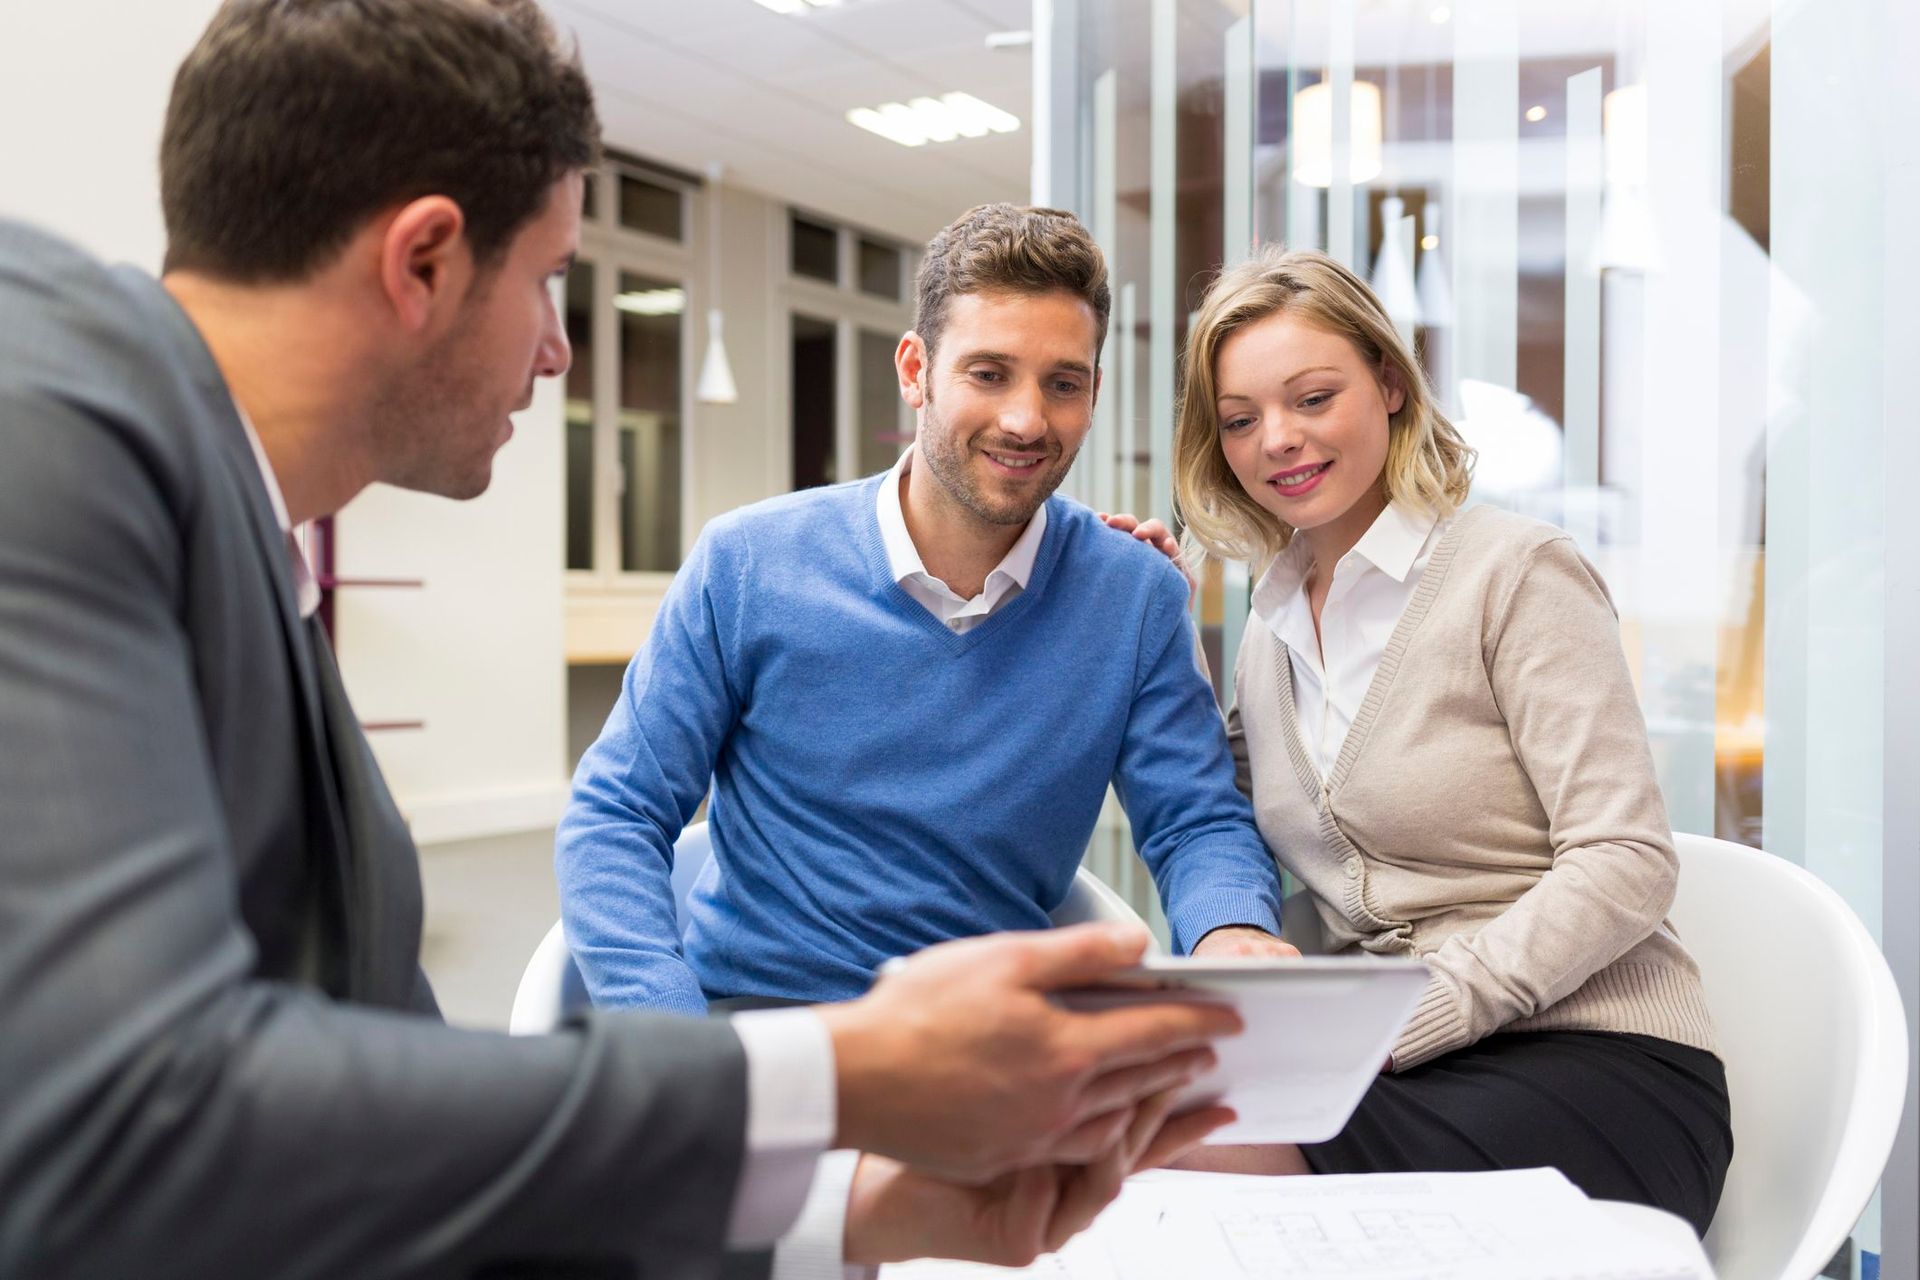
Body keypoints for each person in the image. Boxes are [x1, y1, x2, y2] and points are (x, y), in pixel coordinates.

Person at [0, 4, 1245, 1276]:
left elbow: (374, 1101)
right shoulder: (55, 432)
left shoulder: (231, 533)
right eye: (550, 277)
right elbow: (136, 1126)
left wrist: (843, 1213)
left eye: (1065, 381)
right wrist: (826, 1077)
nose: (560, 348)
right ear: (423, 260)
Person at [1122, 245, 1732, 1234]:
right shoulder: (1272, 628)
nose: (1278, 438)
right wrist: (1155, 633)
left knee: (1188, 1151)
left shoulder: (1513, 571)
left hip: (1593, 1064)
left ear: (1390, 385)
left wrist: (1417, 1012)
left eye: (1313, 397)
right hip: (1392, 1060)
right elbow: (1222, 813)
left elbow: (1625, 860)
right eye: (1240, 419)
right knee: (1129, 1130)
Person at [557, 203, 1295, 1020]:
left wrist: (1231, 932)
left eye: (1063, 383)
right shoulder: (747, 564)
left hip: (994, 1040)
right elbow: (618, 811)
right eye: (989, 373)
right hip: (771, 1020)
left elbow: (1196, 821)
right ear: (915, 370)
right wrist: (667, 1031)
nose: (1026, 419)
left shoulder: (1135, 594)